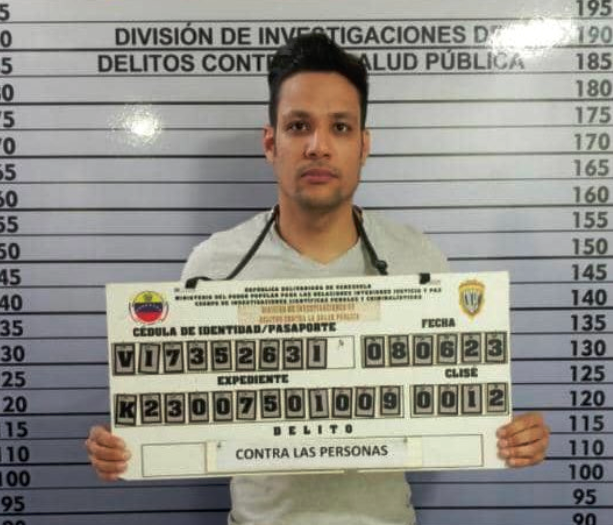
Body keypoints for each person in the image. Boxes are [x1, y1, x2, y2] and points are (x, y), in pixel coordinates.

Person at [86, 33, 550, 525]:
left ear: (363, 145)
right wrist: (126, 444)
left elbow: (459, 408)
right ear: (271, 143)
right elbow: (177, 419)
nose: (318, 146)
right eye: (299, 126)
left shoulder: (419, 260)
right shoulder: (213, 267)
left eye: (340, 127)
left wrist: (514, 438)